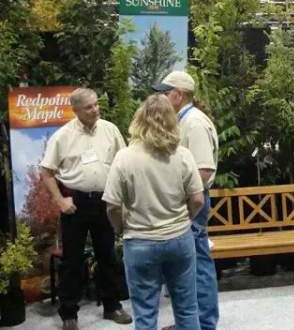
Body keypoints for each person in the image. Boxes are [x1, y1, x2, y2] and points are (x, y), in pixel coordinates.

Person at [103, 94, 205, 330]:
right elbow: (198, 199)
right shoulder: (182, 155)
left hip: (140, 241)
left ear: (139, 118)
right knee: (187, 309)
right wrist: (186, 219)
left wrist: (120, 228)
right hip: (179, 239)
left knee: (145, 313)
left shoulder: (124, 157)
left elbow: (112, 206)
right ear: (172, 120)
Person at [40, 88, 132, 330]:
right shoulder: (62, 136)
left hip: (105, 201)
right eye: (89, 107)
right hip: (75, 204)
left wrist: (122, 198)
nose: (95, 110)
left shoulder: (110, 130)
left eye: (96, 104)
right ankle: (69, 313)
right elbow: (46, 172)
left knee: (108, 255)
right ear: (75, 110)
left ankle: (112, 306)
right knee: (72, 260)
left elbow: (124, 163)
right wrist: (60, 200)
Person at [153, 71, 219, 330]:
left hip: (193, 202)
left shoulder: (194, 123)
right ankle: (189, 322)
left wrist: (179, 198)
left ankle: (204, 323)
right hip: (185, 201)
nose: (160, 97)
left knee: (198, 264)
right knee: (186, 267)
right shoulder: (184, 121)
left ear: (178, 95)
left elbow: (204, 171)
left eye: (164, 92)